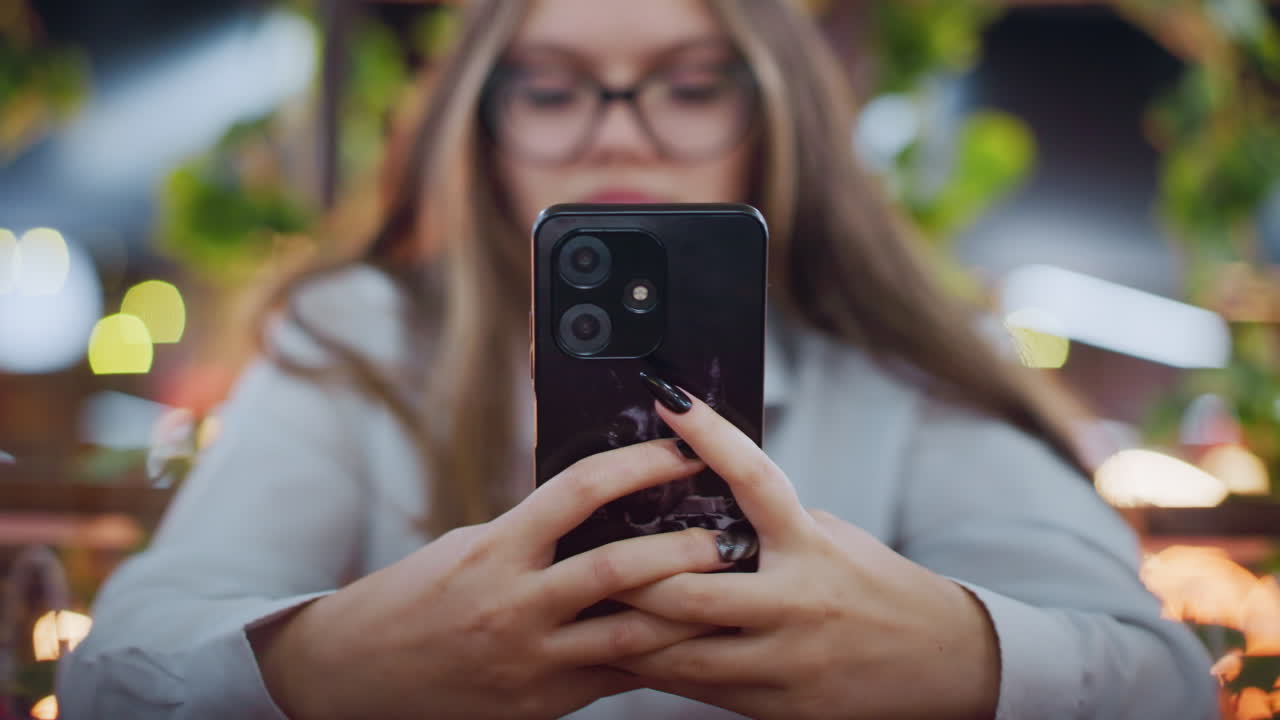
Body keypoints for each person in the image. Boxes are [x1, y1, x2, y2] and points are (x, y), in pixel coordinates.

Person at [59, 0, 1217, 717]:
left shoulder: (901, 364)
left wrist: (954, 662)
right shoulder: (359, 336)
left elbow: (1158, 686)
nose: (616, 127)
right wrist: (327, 670)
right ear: (483, 126)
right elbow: (120, 675)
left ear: (773, 120)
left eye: (688, 84)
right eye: (552, 88)